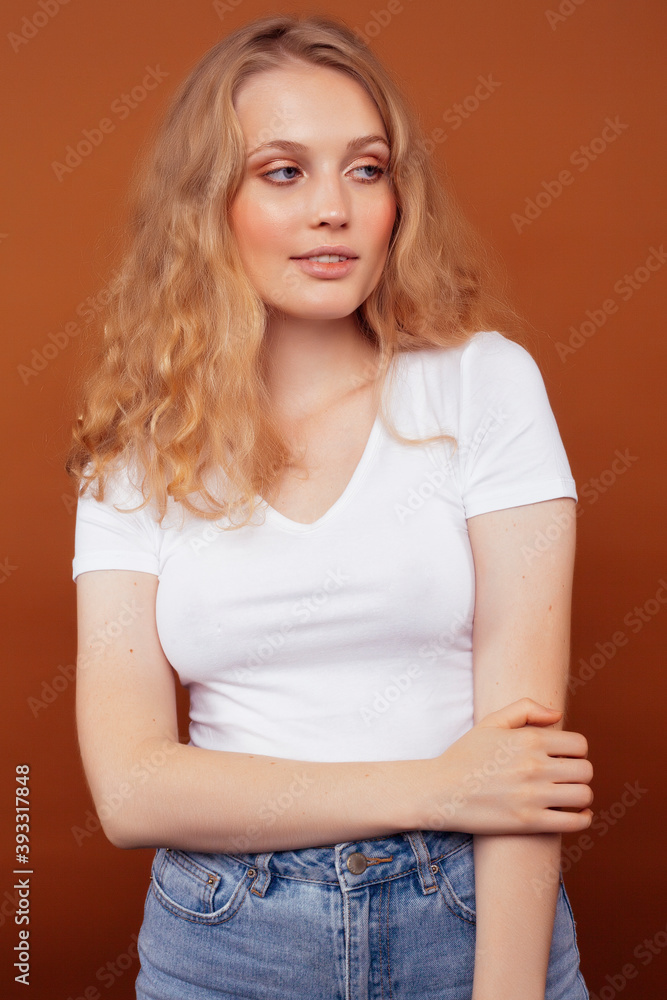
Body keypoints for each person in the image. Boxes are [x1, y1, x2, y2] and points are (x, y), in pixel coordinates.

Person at [67, 13, 594, 1000]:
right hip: (226, 939)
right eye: (282, 172)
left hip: (466, 914)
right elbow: (132, 790)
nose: (333, 209)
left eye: (365, 169)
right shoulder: (135, 455)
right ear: (206, 205)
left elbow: (522, 772)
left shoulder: (483, 385)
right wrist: (440, 785)